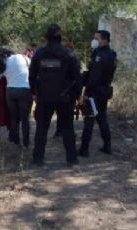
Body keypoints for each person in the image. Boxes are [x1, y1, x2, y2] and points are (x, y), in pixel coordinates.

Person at [29, 24, 81, 167]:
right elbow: (78, 78)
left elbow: (32, 76)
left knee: (41, 128)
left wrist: (34, 93)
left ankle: (38, 159)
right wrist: (76, 97)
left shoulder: (39, 54)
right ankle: (72, 160)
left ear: (46, 38)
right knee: (67, 129)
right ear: (60, 38)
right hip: (65, 99)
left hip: (44, 98)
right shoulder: (69, 54)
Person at [78, 30, 117, 157]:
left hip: (96, 91)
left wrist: (86, 91)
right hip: (103, 91)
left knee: (89, 119)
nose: (94, 40)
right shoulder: (107, 54)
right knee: (102, 119)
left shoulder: (102, 55)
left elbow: (95, 76)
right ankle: (107, 146)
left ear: (104, 40)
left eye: (97, 38)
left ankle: (84, 149)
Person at [0, 48, 33, 147]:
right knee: (25, 118)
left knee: (14, 117)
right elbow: (32, 67)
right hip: (25, 90)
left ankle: (16, 141)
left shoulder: (3, 63)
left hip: (10, 91)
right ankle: (26, 142)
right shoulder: (23, 57)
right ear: (11, 52)